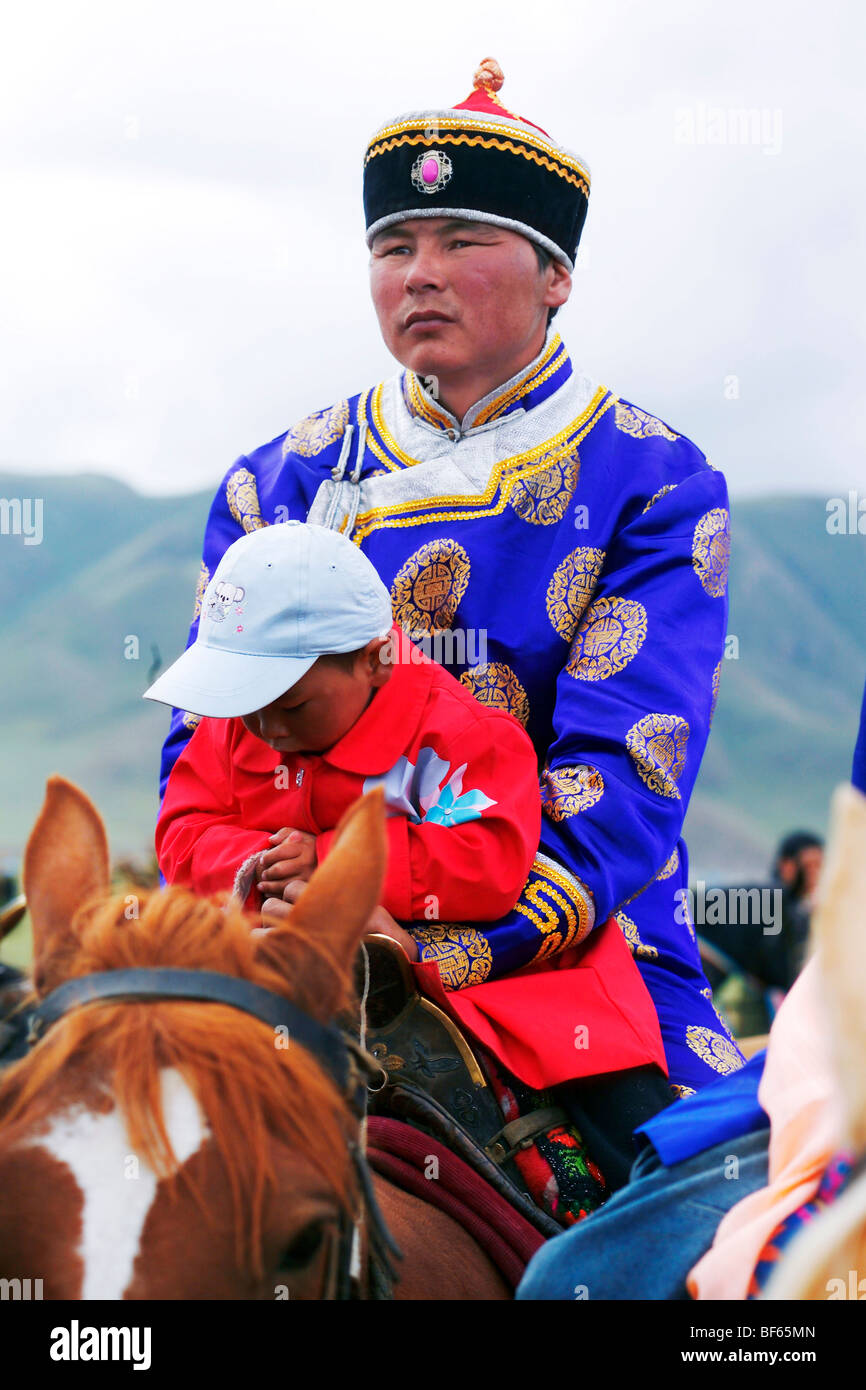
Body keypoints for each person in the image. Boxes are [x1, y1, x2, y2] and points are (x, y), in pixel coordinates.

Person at [158, 55, 740, 1168]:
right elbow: (203, 750)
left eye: (461, 241)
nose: (419, 274)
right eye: (392, 248)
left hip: (561, 939)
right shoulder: (271, 481)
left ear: (554, 274)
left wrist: (437, 937)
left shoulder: (653, 480)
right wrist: (281, 896)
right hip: (281, 927)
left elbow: (621, 785)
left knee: (694, 1213)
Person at [147, 521, 665, 1133]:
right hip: (268, 944)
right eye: (247, 702)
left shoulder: (454, 739)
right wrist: (266, 864)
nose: (266, 729)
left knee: (624, 1120)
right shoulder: (235, 726)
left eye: (289, 706)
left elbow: (489, 857)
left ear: (373, 661)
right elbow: (183, 827)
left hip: (482, 975)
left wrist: (340, 869)